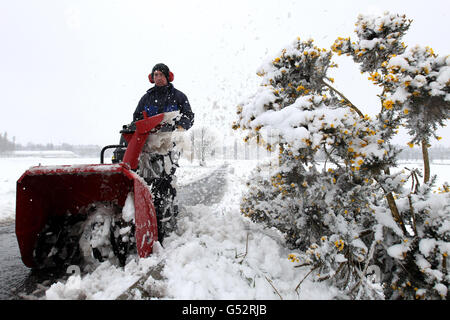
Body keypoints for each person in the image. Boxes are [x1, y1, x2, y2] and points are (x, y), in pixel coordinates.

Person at [133, 63, 194, 243]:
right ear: (152, 78)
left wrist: (176, 125)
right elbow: (136, 118)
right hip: (149, 144)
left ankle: (167, 208)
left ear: (168, 77)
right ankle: (146, 202)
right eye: (155, 74)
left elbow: (189, 116)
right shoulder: (146, 98)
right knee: (146, 175)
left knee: (164, 178)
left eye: (161, 74)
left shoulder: (178, 96)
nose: (158, 77)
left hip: (169, 143)